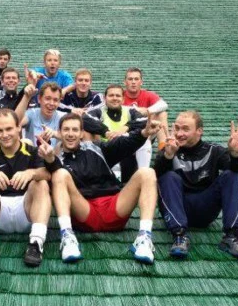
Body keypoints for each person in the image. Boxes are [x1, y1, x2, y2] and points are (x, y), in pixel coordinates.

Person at [40, 113, 162, 265]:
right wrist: (50, 159)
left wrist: (144, 133)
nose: (70, 134)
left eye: (75, 130)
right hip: (84, 211)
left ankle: (144, 237)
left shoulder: (96, 148)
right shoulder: (55, 156)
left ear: (81, 133)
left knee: (147, 173)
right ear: (59, 132)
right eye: (66, 130)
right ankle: (67, 237)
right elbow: (52, 167)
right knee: (59, 174)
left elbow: (124, 144)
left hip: (114, 208)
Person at [154, 111, 238, 260]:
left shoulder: (214, 150)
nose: (179, 133)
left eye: (185, 129)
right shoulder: (169, 149)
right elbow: (156, 176)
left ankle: (232, 237)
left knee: (231, 175)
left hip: (206, 209)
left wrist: (236, 155)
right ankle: (180, 237)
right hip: (178, 209)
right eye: (177, 128)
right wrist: (168, 156)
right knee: (167, 176)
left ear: (199, 131)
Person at [0, 108, 52, 267]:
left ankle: (36, 242)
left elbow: (48, 174)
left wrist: (31, 173)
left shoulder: (33, 151)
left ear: (18, 127)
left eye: (9, 129)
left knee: (40, 183)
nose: (5, 134)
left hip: (27, 212)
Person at [87, 84, 146, 183]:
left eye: (118, 96)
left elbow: (144, 120)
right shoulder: (99, 111)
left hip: (127, 150)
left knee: (145, 134)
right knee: (86, 132)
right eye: (111, 95)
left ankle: (143, 174)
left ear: (123, 99)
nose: (115, 98)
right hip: (105, 150)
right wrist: (105, 132)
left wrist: (126, 127)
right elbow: (86, 119)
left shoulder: (129, 111)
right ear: (105, 98)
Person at [123, 67, 168, 168]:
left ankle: (163, 148)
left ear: (141, 82)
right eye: (130, 79)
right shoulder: (119, 95)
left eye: (136, 79)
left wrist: (148, 111)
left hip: (146, 132)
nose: (133, 82)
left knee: (162, 114)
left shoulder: (147, 95)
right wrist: (136, 110)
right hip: (125, 132)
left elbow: (164, 104)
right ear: (125, 82)